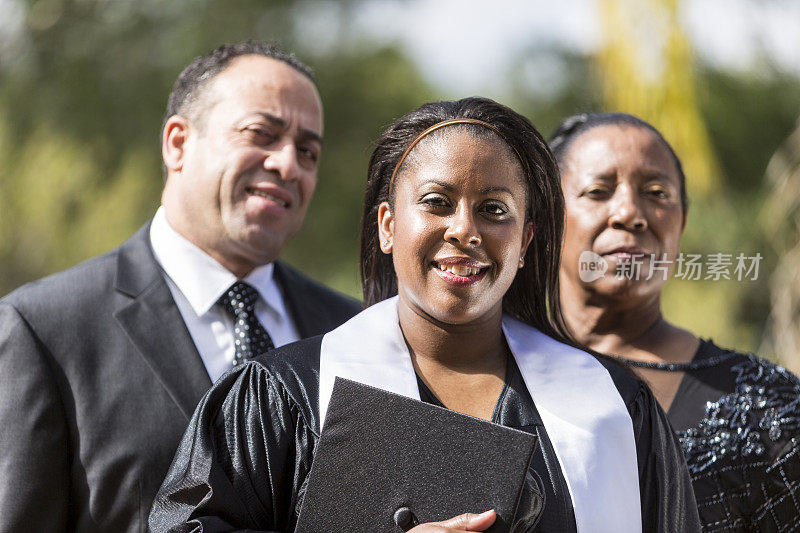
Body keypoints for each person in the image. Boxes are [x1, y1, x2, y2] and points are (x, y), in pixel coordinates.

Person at [149, 97, 700, 532]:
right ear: (388, 225)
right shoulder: (284, 397)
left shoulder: (613, 409)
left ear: (527, 240)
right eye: (437, 202)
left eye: (495, 210)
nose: (465, 229)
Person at [0, 42, 360, 532]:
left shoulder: (353, 333)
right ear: (177, 143)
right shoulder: (44, 330)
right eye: (262, 133)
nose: (288, 164)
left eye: (308, 151)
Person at [551, 112, 800, 531]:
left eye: (657, 193)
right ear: (544, 220)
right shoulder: (481, 373)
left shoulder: (773, 408)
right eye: (598, 191)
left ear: (681, 224)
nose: (630, 212)